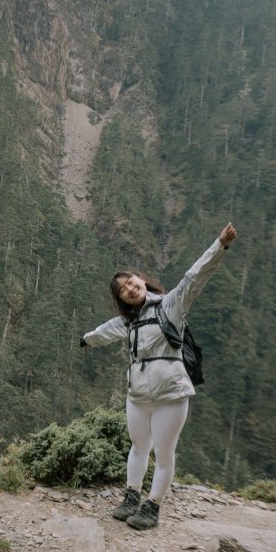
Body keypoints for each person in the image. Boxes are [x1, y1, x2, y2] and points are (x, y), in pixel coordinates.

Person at [79, 222, 237, 530]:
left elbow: (195, 277)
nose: (129, 288)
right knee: (138, 448)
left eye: (131, 281)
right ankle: (131, 496)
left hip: (170, 395)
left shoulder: (170, 306)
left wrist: (220, 245)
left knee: (164, 454)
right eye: (123, 289)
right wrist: (86, 338)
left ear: (142, 279)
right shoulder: (128, 322)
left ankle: (152, 507)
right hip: (138, 397)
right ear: (122, 299)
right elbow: (105, 331)